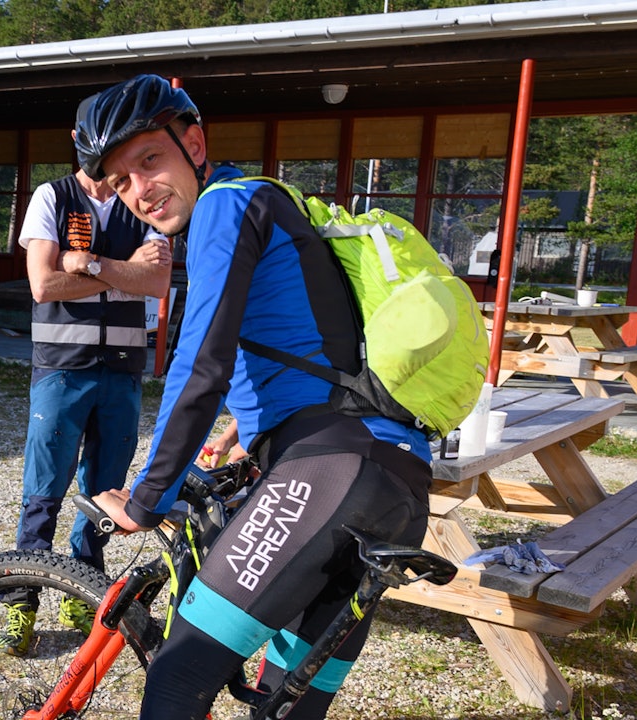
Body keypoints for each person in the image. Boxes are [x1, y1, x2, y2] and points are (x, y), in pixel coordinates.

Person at [80, 74, 432, 720]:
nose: (140, 189)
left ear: (194, 144)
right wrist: (249, 430)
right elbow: (306, 345)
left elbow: (200, 365)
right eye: (121, 181)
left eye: (149, 160)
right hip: (395, 481)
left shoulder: (224, 206)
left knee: (177, 679)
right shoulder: (268, 201)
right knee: (285, 708)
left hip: (330, 473)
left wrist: (146, 498)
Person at [0, 93, 173, 656]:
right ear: (80, 142)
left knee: (103, 494)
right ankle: (21, 603)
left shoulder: (141, 202)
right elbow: (43, 285)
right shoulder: (52, 196)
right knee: (42, 492)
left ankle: (82, 589)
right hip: (61, 369)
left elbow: (157, 283)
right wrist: (122, 272)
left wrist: (89, 263)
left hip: (122, 371)